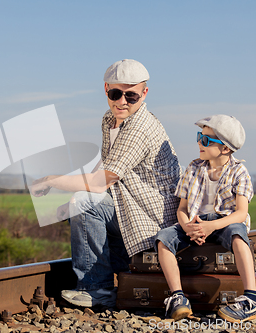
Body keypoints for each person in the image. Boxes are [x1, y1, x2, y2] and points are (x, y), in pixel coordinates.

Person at [30, 59, 181, 308]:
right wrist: (70, 202)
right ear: (105, 89)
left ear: (144, 93)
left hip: (150, 220)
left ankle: (97, 288)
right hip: (129, 207)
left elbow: (102, 181)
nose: (122, 101)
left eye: (131, 96)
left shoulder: (140, 128)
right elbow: (106, 166)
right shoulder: (110, 120)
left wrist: (52, 181)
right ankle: (102, 275)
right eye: (115, 93)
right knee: (81, 201)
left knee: (86, 202)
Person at [155, 115, 256, 322]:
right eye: (199, 137)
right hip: (195, 223)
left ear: (226, 148)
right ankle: (178, 297)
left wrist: (212, 226)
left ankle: (251, 298)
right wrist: (188, 228)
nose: (199, 143)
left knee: (239, 235)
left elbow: (240, 213)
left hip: (224, 222)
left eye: (206, 140)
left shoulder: (239, 172)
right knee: (163, 238)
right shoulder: (193, 168)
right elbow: (182, 208)